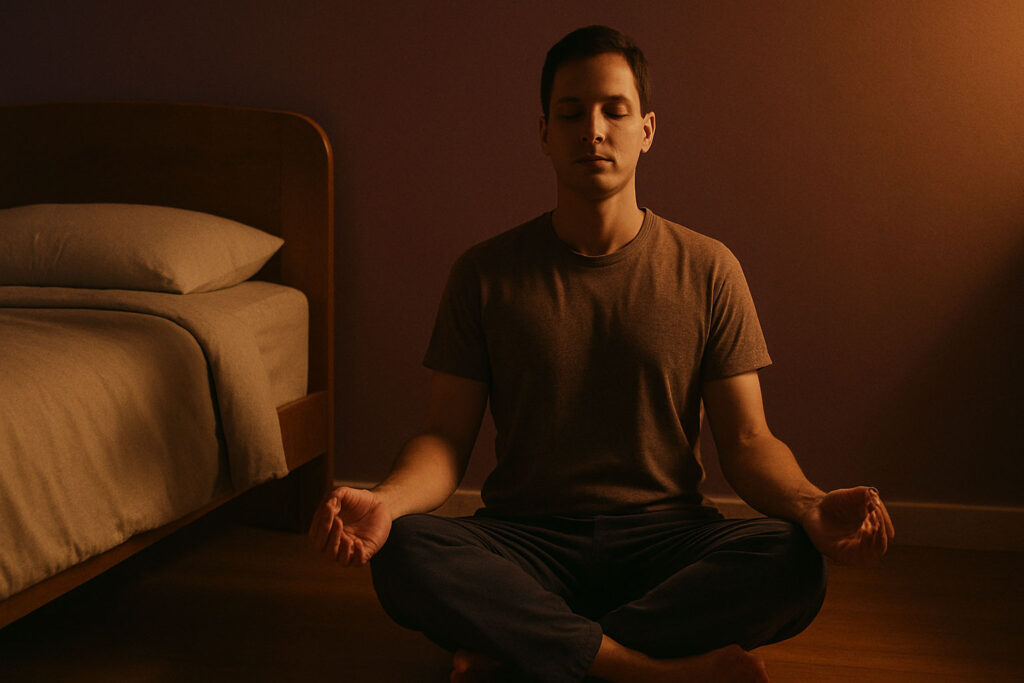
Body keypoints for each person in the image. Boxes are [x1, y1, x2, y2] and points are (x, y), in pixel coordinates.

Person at [310, 25, 895, 683]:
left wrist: (813, 505)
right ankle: (641, 666)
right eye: (571, 113)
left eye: (613, 110)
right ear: (544, 133)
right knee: (406, 550)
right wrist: (385, 502)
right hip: (526, 538)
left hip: (664, 538)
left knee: (791, 559)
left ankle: (528, 646)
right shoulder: (484, 273)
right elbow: (444, 439)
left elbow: (749, 439)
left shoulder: (709, 269)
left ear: (646, 129)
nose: (593, 129)